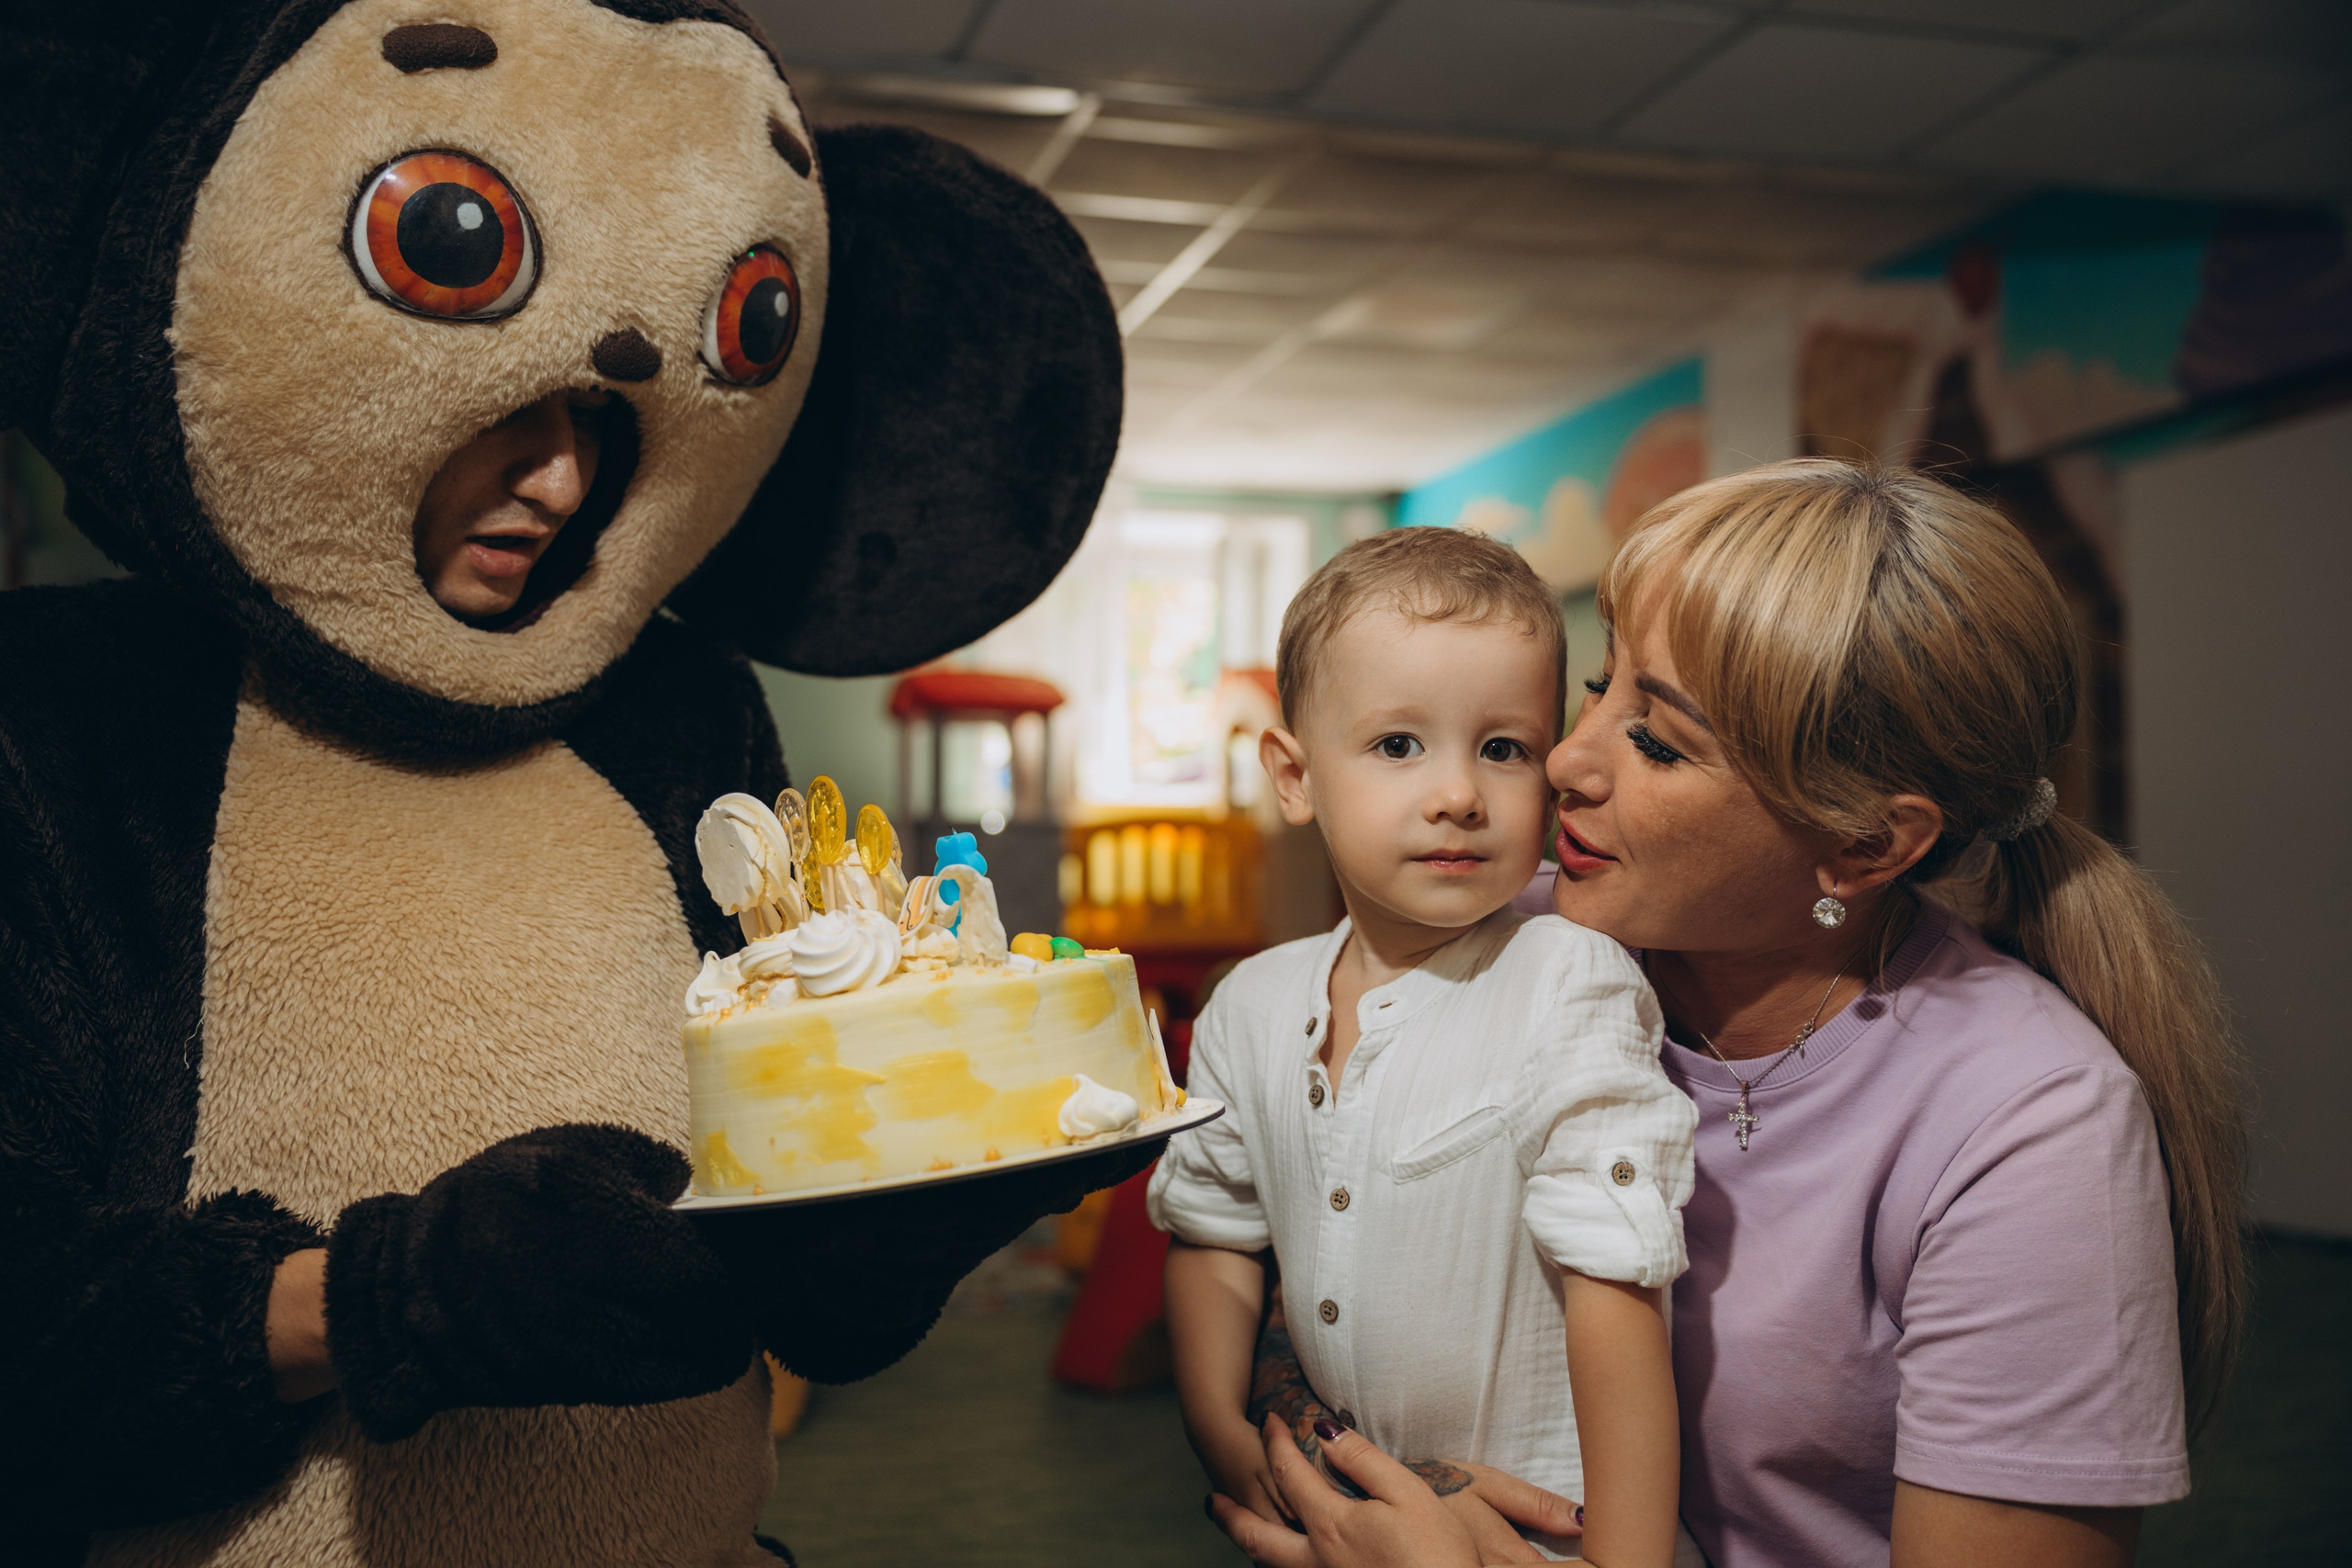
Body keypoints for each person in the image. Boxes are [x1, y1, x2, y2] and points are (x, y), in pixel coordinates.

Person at [1214, 460, 2243, 1568]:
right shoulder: (1507, 939)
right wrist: (1319, 1449)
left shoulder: (2034, 1131)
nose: (1563, 760)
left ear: (1864, 843)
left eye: (1655, 741)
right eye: (1598, 687)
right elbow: (1307, 1256)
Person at [1152, 527, 1699, 1567]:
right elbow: (1215, 1233)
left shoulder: (1564, 980)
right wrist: (1219, 1429)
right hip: (1336, 1523)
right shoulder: (1249, 1006)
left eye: (1504, 748)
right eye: (1399, 745)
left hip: (1540, 1540)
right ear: (1294, 775)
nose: (1458, 792)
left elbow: (1619, 1288)